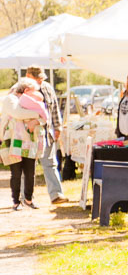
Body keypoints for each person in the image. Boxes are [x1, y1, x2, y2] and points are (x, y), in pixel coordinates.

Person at [24, 66, 68, 204]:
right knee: (27, 167)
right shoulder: (20, 90)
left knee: (51, 164)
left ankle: (56, 195)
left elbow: (54, 108)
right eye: (37, 78)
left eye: (41, 77)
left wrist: (58, 127)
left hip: (46, 133)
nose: (40, 80)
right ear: (29, 76)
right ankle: (25, 197)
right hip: (27, 135)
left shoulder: (47, 88)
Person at [1, 79, 45, 210]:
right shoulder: (10, 99)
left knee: (30, 172)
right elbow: (18, 113)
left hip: (30, 142)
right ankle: (16, 201)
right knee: (16, 173)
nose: (35, 95)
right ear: (26, 91)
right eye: (33, 92)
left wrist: (38, 119)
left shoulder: (31, 102)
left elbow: (44, 119)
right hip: (13, 142)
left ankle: (28, 199)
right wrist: (38, 114)